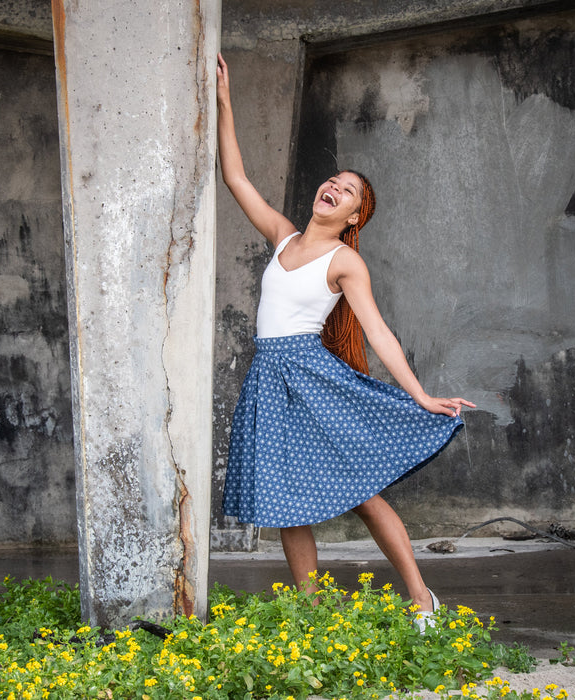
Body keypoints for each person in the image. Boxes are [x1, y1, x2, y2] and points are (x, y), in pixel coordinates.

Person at [216, 53, 475, 625]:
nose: (333, 187)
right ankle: (312, 611)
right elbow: (235, 177)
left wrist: (420, 396)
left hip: (314, 378)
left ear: (355, 216)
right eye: (332, 181)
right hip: (270, 379)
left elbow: (378, 331)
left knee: (362, 493)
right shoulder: (283, 237)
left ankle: (421, 599)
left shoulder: (345, 261)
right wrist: (225, 100)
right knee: (286, 502)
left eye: (348, 190)